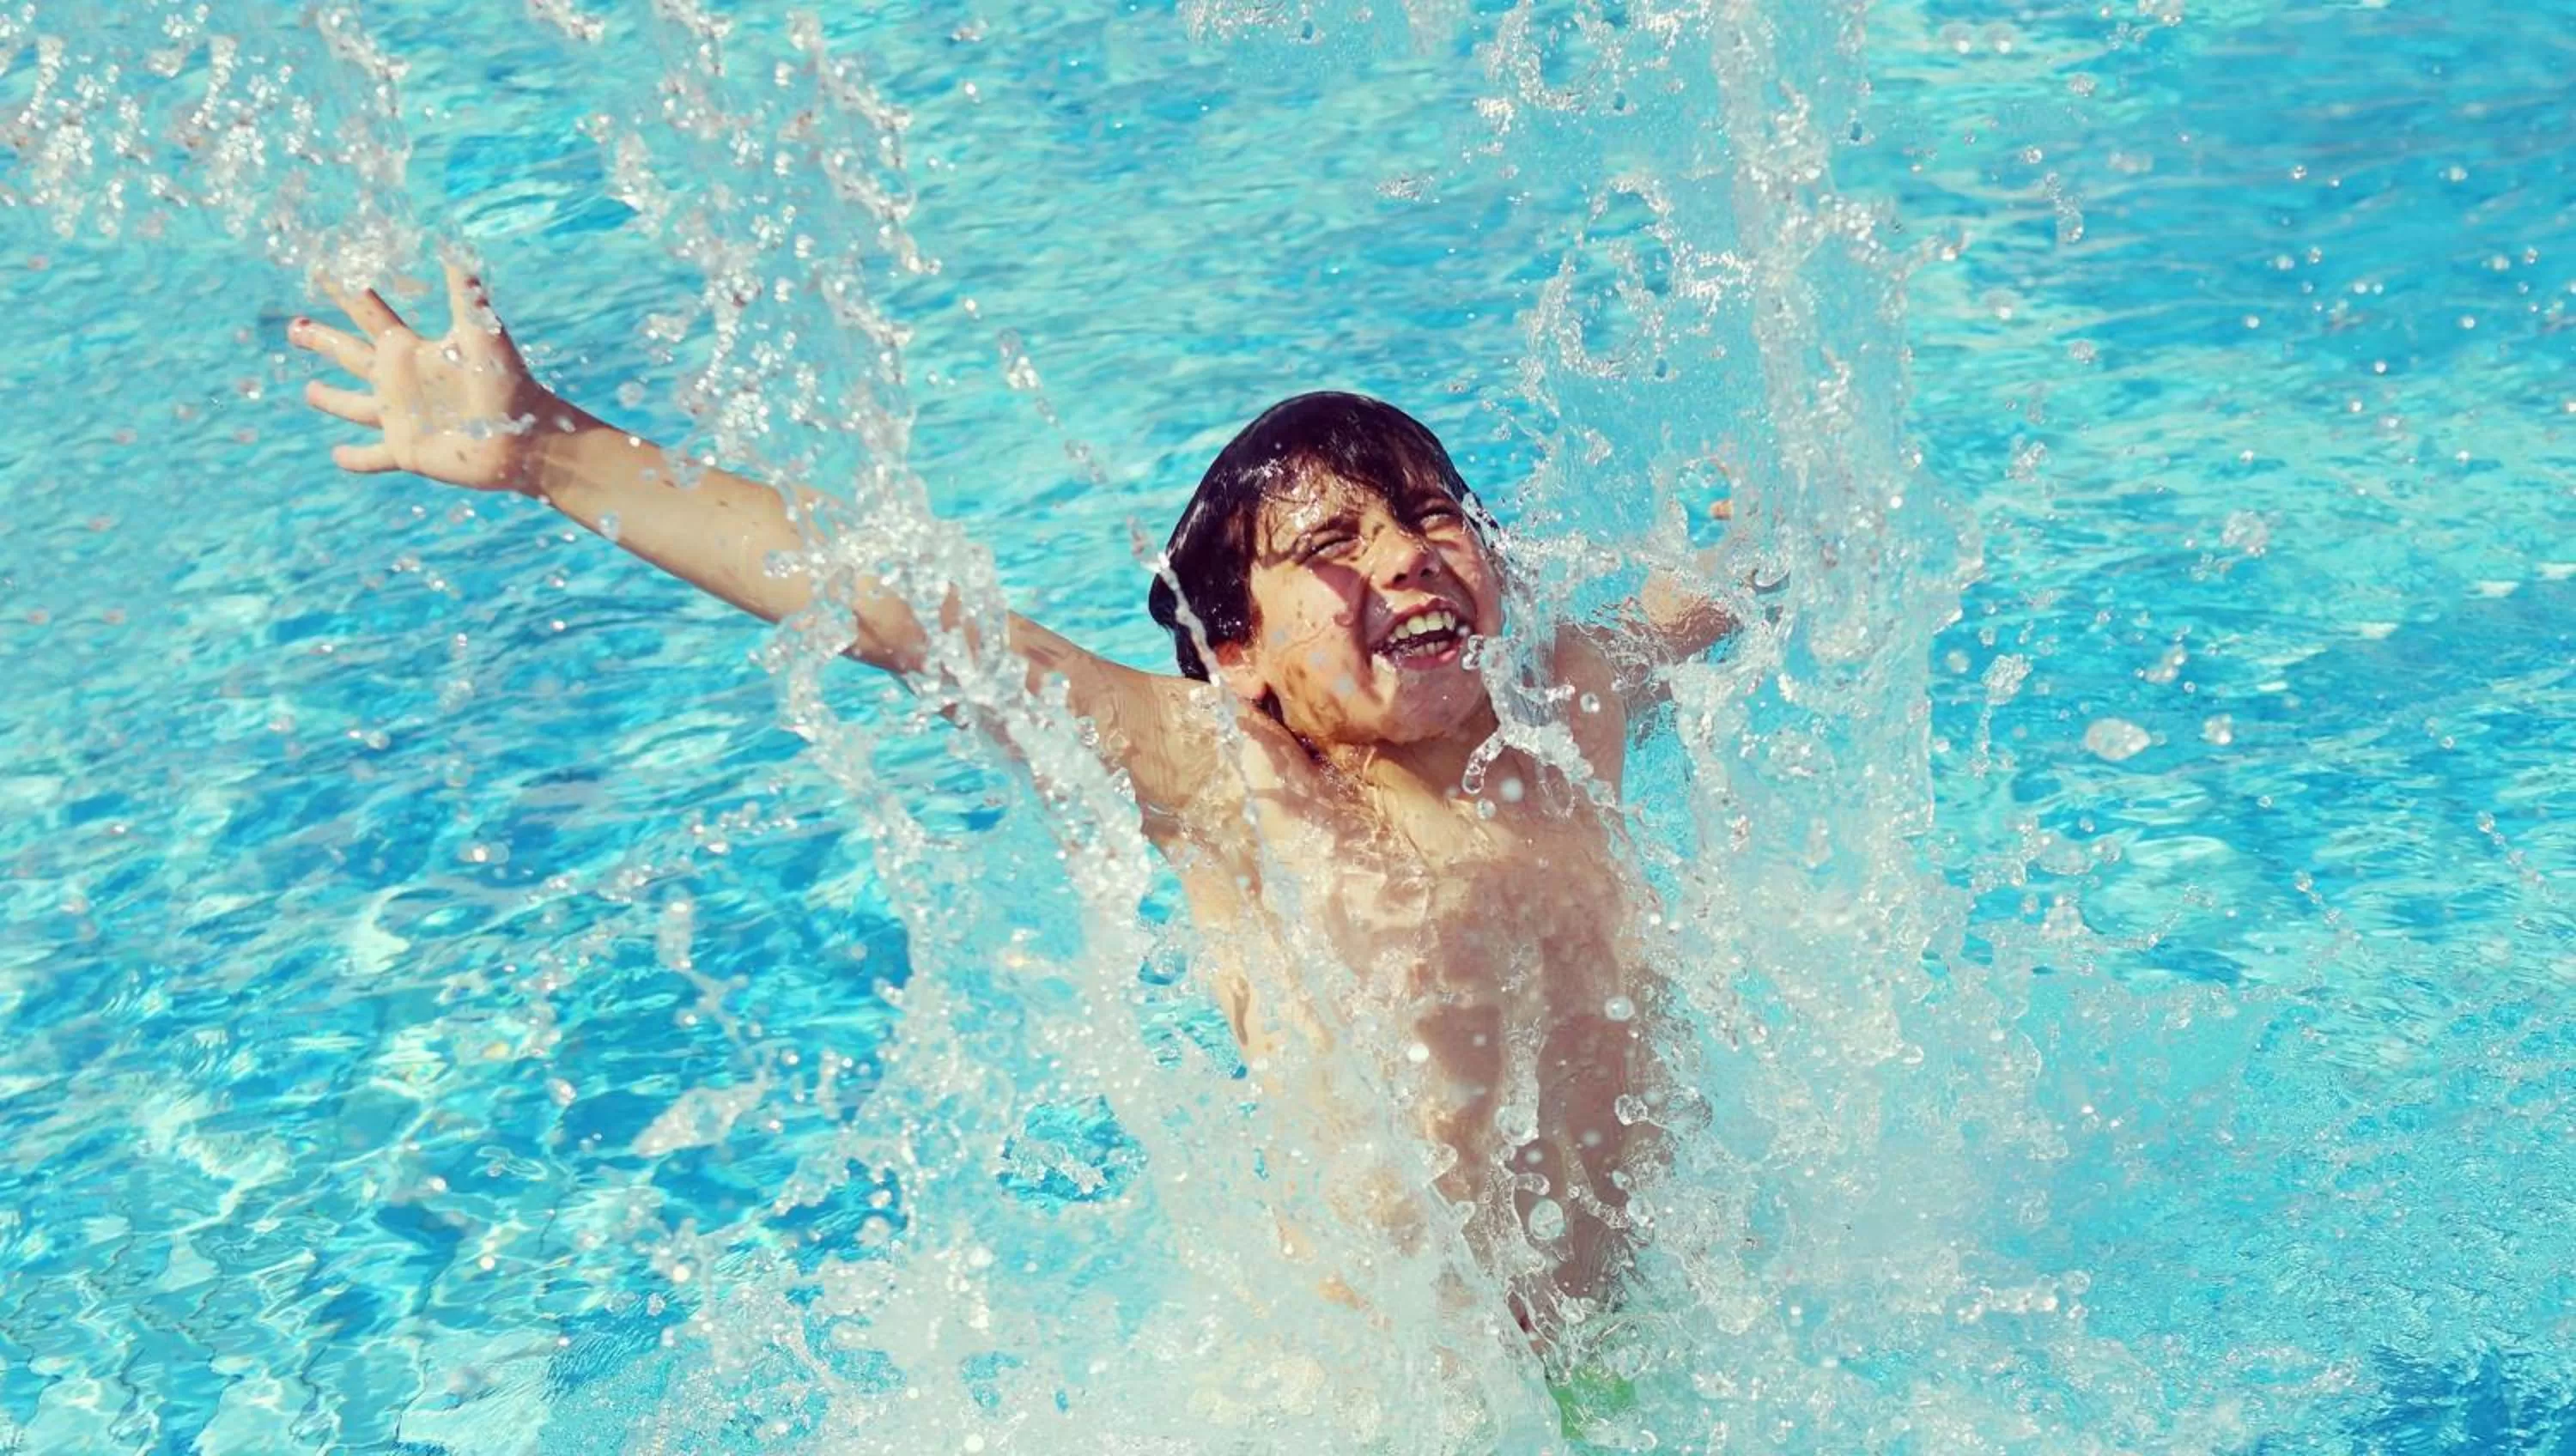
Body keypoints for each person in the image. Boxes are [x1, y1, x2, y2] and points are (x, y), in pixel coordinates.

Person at [289, 262, 1740, 1359]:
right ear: (1239, 654)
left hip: (1621, 1352)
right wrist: (549, 450)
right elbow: (911, 618)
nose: (1411, 558)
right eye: (1334, 544)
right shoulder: (1235, 780)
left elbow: (1726, 580)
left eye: (1434, 515)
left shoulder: (1564, 710)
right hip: (1382, 1405)